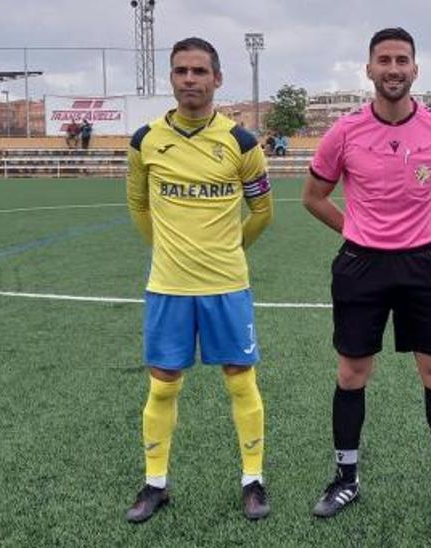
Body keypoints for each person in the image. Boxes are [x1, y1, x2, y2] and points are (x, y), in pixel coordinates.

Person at [302, 27, 431, 519]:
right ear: (370, 69)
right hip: (361, 265)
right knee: (352, 373)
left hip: (421, 264)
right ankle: (345, 478)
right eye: (385, 60)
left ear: (415, 69)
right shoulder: (345, 131)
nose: (394, 69)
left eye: (402, 60)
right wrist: (356, 229)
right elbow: (313, 197)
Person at [123, 36, 275, 524]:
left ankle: (253, 480)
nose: (190, 79)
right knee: (163, 385)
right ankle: (155, 484)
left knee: (240, 379)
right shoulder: (145, 141)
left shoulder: (241, 142)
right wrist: (165, 250)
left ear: (217, 79)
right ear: (171, 78)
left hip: (227, 285)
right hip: (168, 286)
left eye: (199, 71)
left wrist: (228, 250)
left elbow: (262, 210)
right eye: (181, 71)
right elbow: (139, 205)